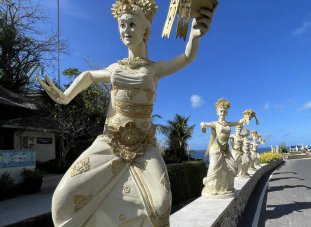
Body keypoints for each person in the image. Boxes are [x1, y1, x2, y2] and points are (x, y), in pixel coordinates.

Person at [36, 0, 215, 226]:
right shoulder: (115, 68)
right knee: (65, 197)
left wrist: (194, 35)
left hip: (145, 145)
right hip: (110, 142)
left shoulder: (154, 69)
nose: (126, 30)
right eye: (122, 25)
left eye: (132, 24)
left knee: (160, 203)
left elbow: (186, 57)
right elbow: (89, 76)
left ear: (145, 30)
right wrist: (66, 95)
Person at [200, 98, 243, 198]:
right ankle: (211, 187)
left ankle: (225, 187)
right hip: (216, 148)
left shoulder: (228, 124)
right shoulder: (215, 123)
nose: (222, 113)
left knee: (233, 167)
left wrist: (244, 118)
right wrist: (203, 125)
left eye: (224, 111)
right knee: (213, 169)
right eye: (221, 111)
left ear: (226, 113)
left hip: (226, 149)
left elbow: (237, 122)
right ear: (217, 112)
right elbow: (205, 123)